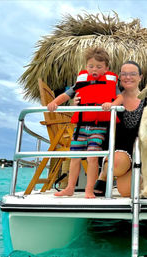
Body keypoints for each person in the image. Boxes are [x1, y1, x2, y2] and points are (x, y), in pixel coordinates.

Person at [47, 47, 123, 198]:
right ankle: (70, 188)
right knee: (75, 157)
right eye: (91, 66)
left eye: (99, 67)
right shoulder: (81, 81)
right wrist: (54, 102)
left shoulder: (112, 82)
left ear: (106, 68)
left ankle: (89, 189)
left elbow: (120, 98)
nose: (94, 69)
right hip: (80, 126)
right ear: (86, 66)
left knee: (92, 158)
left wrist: (112, 104)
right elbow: (66, 95)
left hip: (98, 127)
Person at [93, 60, 146, 197]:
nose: (128, 77)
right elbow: (91, 112)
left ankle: (138, 176)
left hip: (136, 153)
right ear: (119, 77)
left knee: (126, 192)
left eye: (133, 74)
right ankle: (104, 174)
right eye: (124, 74)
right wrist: (77, 104)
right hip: (112, 149)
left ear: (140, 77)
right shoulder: (110, 97)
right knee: (116, 164)